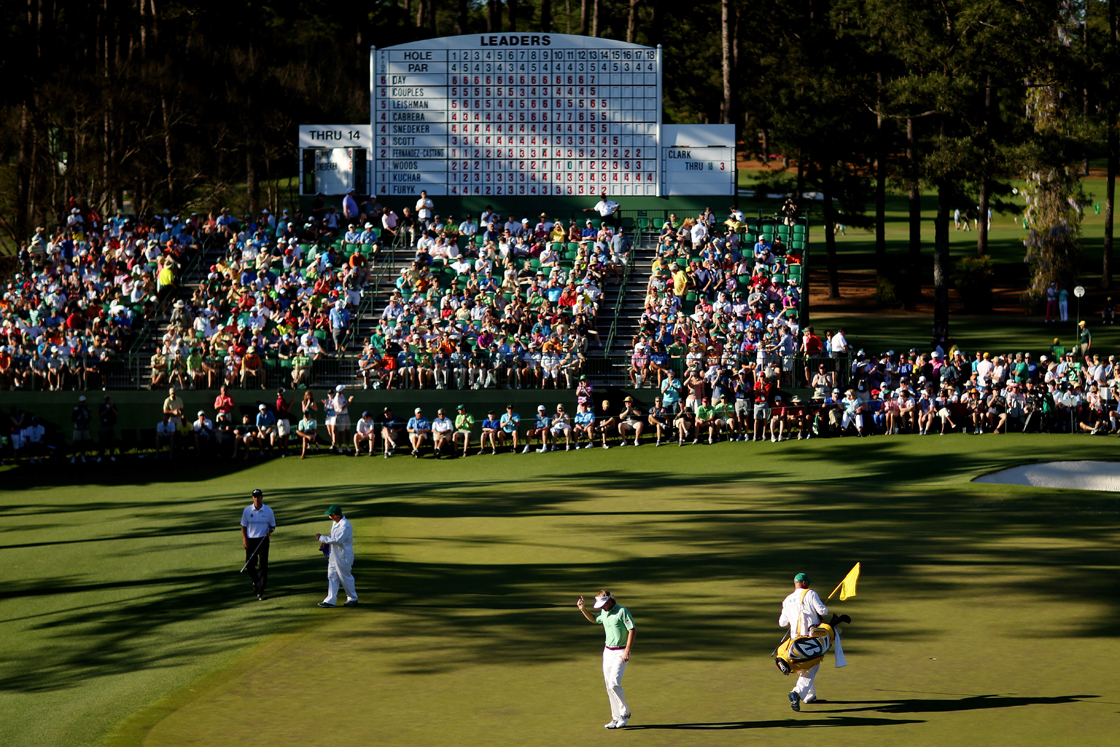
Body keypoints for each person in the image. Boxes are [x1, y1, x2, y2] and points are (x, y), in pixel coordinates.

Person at [576, 590, 635, 729]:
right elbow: (594, 619)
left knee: (614, 683)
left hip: (621, 652)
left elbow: (632, 630)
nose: (601, 607)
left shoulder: (622, 611)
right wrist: (583, 609)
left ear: (608, 601)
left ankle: (624, 713)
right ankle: (616, 717)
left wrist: (627, 651)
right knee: (609, 686)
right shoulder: (604, 612)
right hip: (608, 652)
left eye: (602, 605)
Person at [779, 572, 829, 712]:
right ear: (805, 583)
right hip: (810, 638)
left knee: (805, 665)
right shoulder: (810, 593)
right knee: (813, 664)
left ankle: (809, 696)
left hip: (794, 641)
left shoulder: (787, 600)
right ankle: (797, 693)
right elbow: (823, 611)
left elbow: (782, 623)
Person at [316, 504, 358, 608]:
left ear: (335, 515)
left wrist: (322, 538)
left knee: (345, 577)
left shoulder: (345, 525)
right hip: (334, 554)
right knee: (332, 575)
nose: (329, 516)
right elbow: (333, 537)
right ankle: (330, 600)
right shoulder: (335, 523)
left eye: (330, 515)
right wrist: (326, 541)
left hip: (343, 555)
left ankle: (352, 598)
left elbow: (338, 540)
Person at [241, 489, 276, 601]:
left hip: (263, 540)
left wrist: (269, 532)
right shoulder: (247, 510)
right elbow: (243, 526)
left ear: (262, 497)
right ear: (252, 498)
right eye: (255, 496)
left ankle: (260, 592)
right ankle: (256, 581)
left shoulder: (268, 510)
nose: (257, 498)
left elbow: (272, 526)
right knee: (250, 565)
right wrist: (245, 539)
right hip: (251, 540)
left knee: (263, 566)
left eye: (258, 496)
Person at [70, 395, 92, 464]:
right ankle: (74, 456)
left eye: (84, 402)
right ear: (79, 402)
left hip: (85, 428)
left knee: (84, 443)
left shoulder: (88, 409)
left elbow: (89, 417)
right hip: (78, 429)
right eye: (82, 402)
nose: (83, 403)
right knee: (76, 443)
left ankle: (83, 456)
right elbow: (73, 419)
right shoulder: (76, 409)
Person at [98, 395, 118, 462]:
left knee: (112, 441)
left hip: (112, 425)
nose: (108, 400)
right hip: (104, 426)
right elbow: (101, 414)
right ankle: (101, 455)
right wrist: (107, 409)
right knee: (102, 441)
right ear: (104, 400)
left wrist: (111, 408)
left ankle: (112, 455)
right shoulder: (102, 406)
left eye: (108, 399)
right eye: (106, 399)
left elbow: (116, 413)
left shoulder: (113, 406)